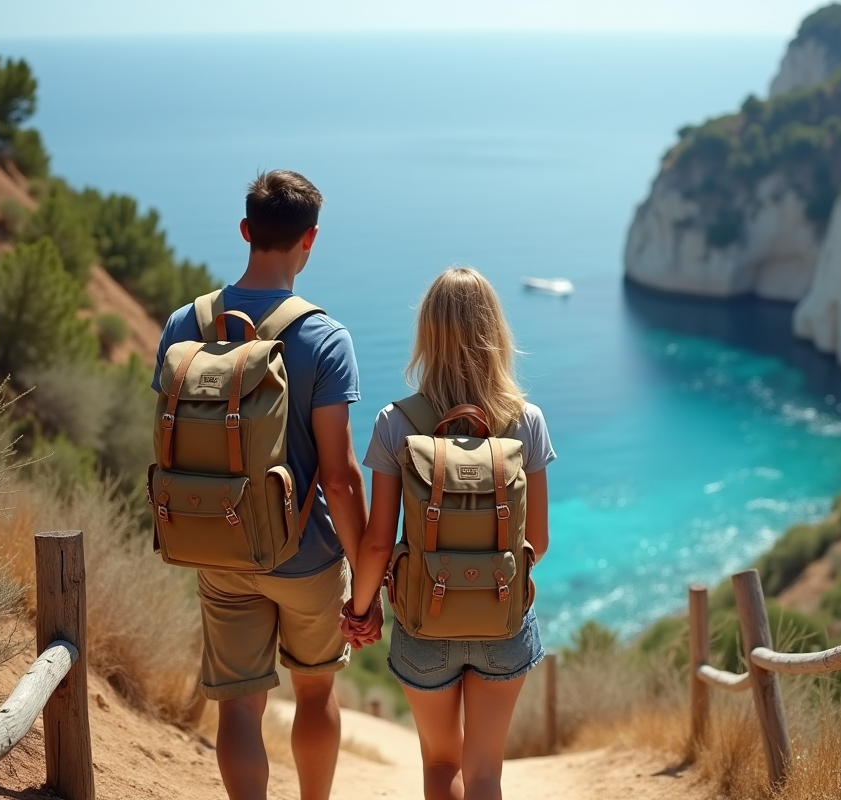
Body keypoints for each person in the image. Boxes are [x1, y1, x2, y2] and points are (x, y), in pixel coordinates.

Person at [151, 170, 372, 800]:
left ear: (246, 231)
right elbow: (339, 474)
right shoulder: (324, 338)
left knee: (239, 708)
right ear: (311, 241)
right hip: (307, 558)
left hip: (220, 544)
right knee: (315, 692)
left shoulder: (183, 326)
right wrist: (364, 581)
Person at [346, 267, 555, 800]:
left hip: (423, 622)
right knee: (485, 772)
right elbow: (539, 541)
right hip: (502, 619)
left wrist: (361, 608)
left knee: (441, 765)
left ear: (427, 335)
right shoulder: (525, 421)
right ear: (496, 333)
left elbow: (376, 540)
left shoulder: (396, 422)